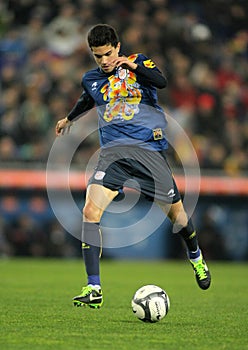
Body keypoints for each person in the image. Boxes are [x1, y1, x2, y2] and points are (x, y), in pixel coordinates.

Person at [55, 24, 211, 309]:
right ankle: (94, 287)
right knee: (90, 211)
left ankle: (196, 257)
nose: (103, 61)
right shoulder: (91, 78)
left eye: (107, 54)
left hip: (149, 152)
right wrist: (69, 119)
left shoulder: (139, 63)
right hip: (113, 154)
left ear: (117, 46)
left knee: (179, 219)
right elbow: (88, 98)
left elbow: (161, 82)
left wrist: (129, 63)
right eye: (96, 56)